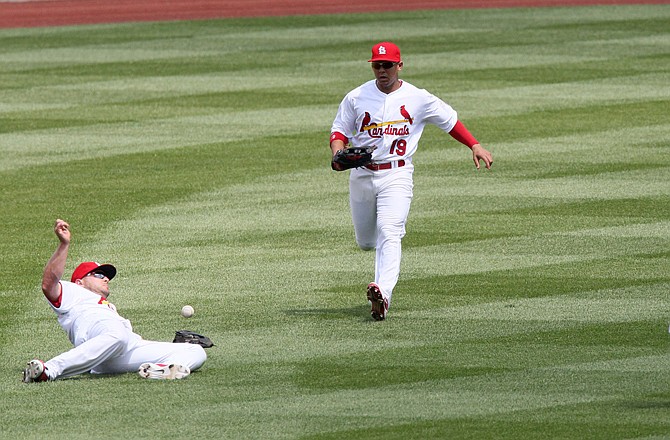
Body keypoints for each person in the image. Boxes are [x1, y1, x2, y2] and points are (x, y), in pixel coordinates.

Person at [329, 42, 493, 321]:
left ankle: (383, 293)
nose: (382, 70)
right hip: (362, 174)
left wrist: (474, 144)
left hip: (397, 174)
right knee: (367, 241)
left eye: (387, 65)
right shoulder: (356, 97)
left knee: (389, 231)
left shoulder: (418, 97)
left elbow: (450, 120)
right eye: (377, 65)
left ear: (399, 66)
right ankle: (380, 282)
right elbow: (339, 130)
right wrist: (338, 153)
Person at [22, 219, 207, 382]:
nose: (105, 278)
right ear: (80, 281)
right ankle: (50, 370)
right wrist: (64, 245)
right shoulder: (72, 291)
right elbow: (48, 284)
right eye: (99, 274)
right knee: (117, 335)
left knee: (196, 351)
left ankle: (162, 369)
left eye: (107, 276)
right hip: (102, 336)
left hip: (122, 350)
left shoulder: (108, 306)